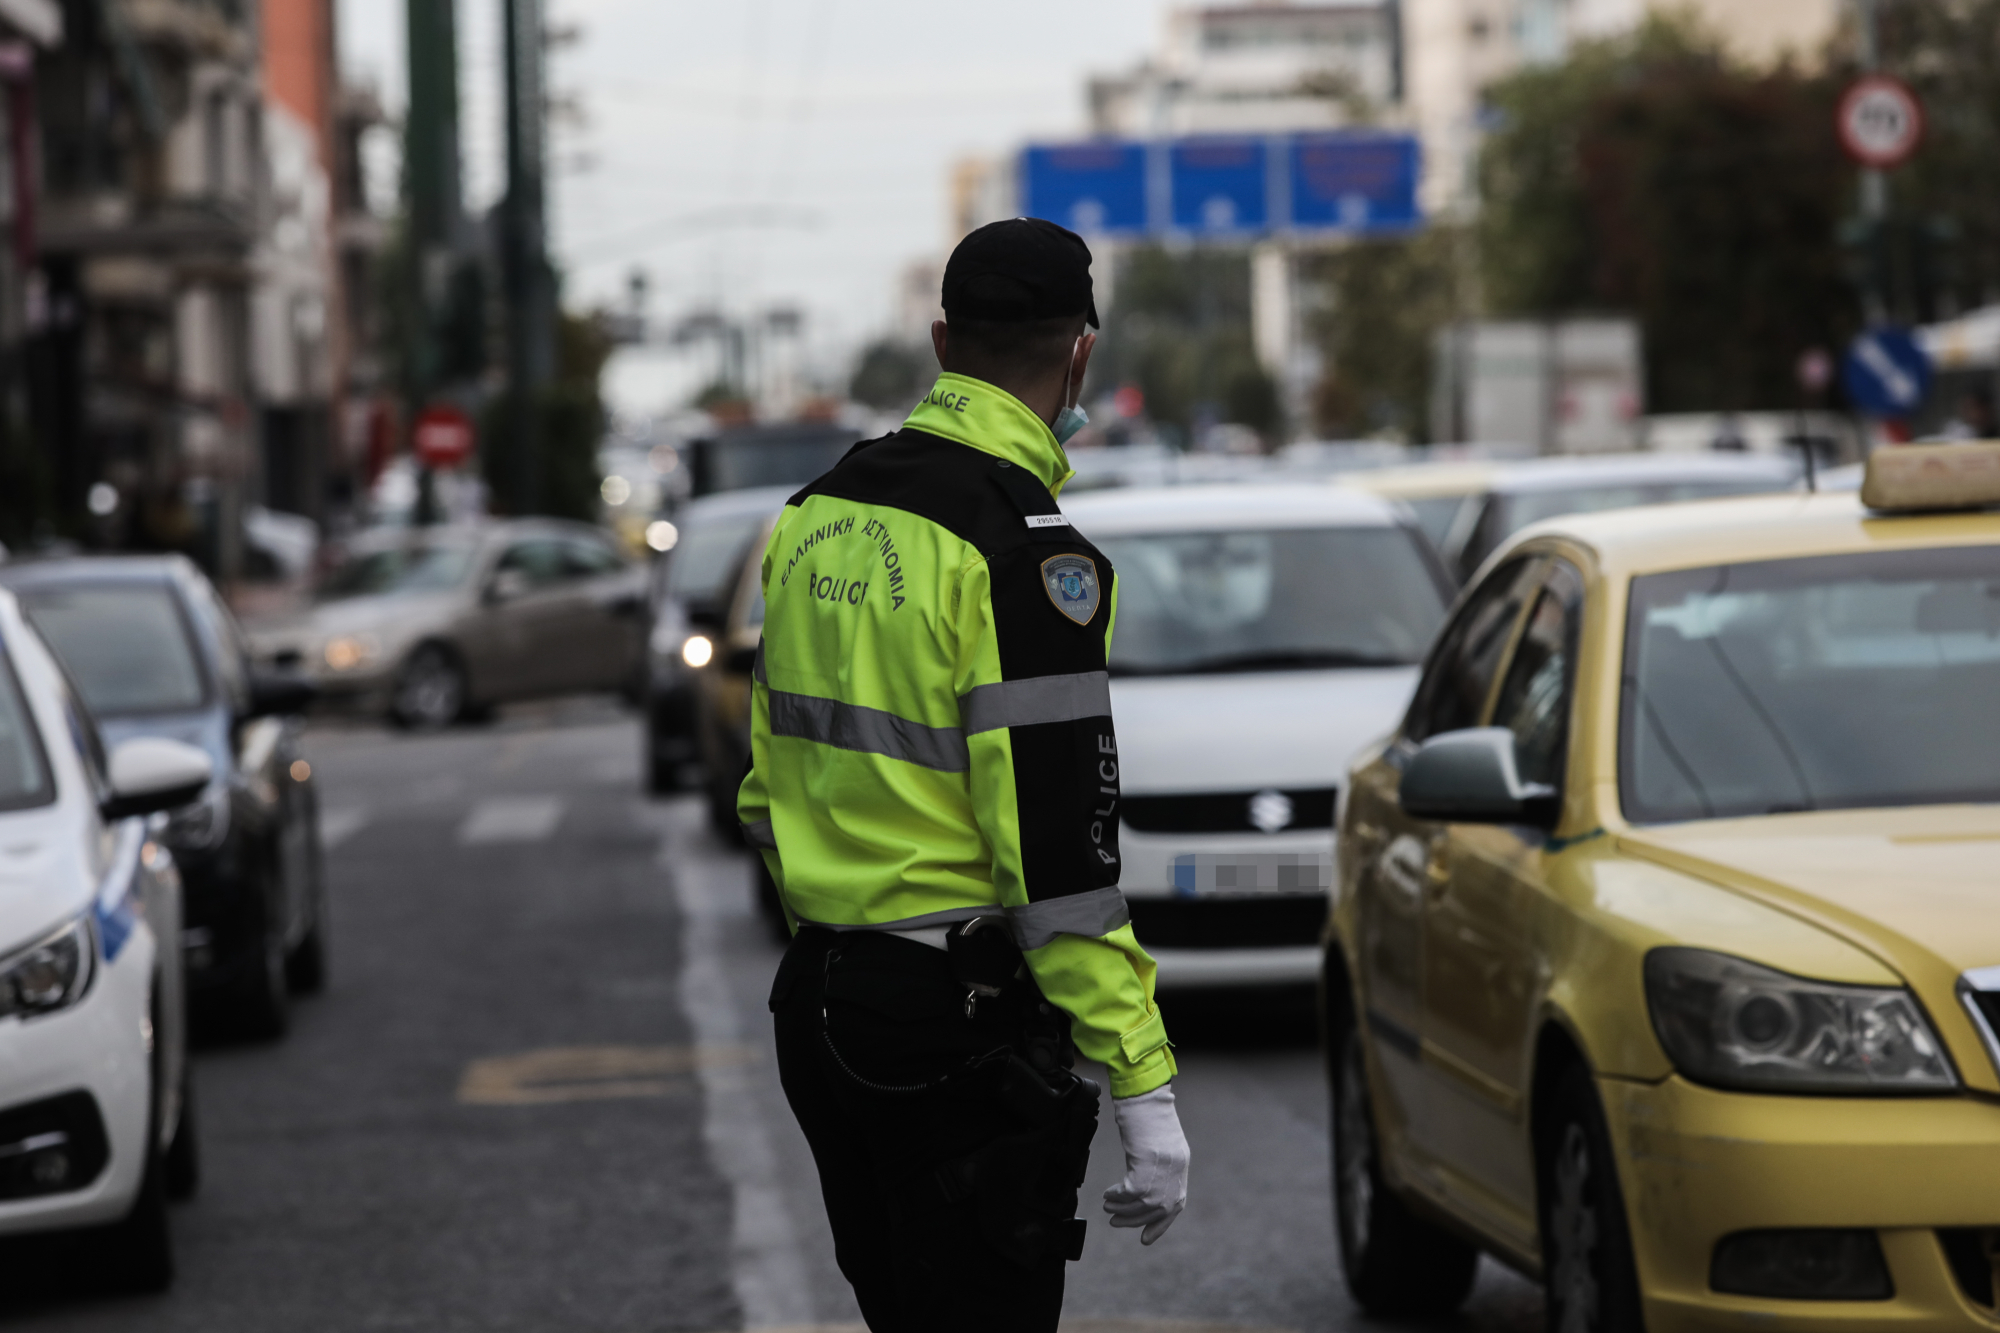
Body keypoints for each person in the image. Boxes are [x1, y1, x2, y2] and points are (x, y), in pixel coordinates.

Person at [740, 217, 1189, 1333]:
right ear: (1080, 353)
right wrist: (1141, 1080)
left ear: (941, 341)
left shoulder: (815, 515)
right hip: (953, 1028)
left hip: (824, 1008)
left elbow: (763, 790)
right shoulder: (1025, 558)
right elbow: (1056, 860)